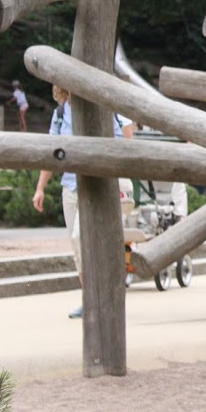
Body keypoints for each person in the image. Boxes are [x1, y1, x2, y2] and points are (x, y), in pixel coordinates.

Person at [31, 85, 134, 318]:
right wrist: (40, 188)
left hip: (99, 188)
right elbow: (51, 152)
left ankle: (103, 296)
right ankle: (90, 298)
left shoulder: (102, 110)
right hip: (70, 187)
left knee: (82, 238)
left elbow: (123, 146)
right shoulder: (60, 114)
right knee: (77, 247)